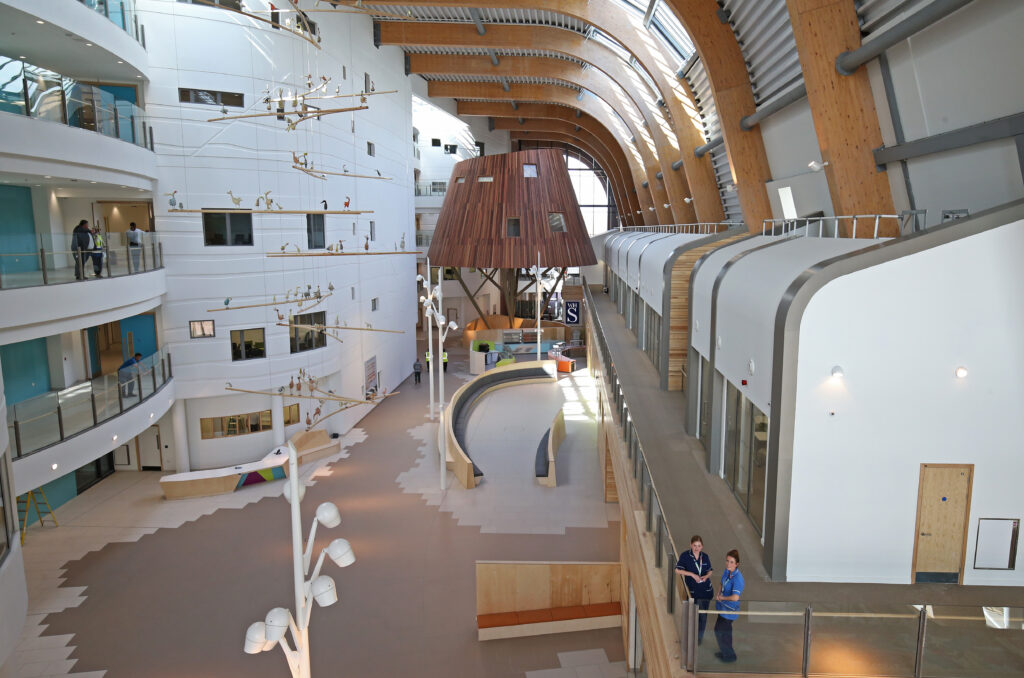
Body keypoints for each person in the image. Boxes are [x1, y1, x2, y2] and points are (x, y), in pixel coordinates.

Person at [675, 535, 714, 644]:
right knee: (691, 615)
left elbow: (710, 570)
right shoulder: (685, 556)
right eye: (695, 545)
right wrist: (692, 574)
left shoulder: (705, 556)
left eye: (699, 546)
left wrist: (706, 576)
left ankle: (698, 639)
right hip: (693, 592)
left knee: (702, 616)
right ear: (691, 545)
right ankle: (689, 637)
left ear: (702, 546)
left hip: (706, 591)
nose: (697, 548)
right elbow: (677, 570)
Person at [714, 549, 744, 663]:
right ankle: (725, 652)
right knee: (720, 631)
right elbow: (721, 583)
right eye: (727, 561)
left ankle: (729, 656)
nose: (728, 564)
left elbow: (735, 597)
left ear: (737, 564)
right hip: (722, 608)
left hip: (729, 611)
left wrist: (722, 598)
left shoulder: (738, 579)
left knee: (723, 632)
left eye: (731, 562)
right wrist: (718, 593)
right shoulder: (727, 571)